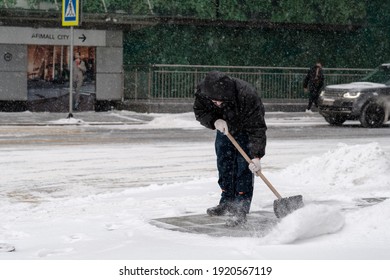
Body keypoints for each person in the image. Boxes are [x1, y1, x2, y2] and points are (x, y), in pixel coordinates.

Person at [193, 71, 267, 227]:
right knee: (225, 164)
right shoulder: (203, 92)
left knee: (243, 168)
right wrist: (214, 121)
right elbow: (200, 112)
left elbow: (257, 127)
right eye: (214, 101)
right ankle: (227, 201)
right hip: (224, 129)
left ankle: (241, 207)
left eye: (221, 101)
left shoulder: (247, 95)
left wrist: (256, 156)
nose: (217, 104)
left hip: (246, 130)